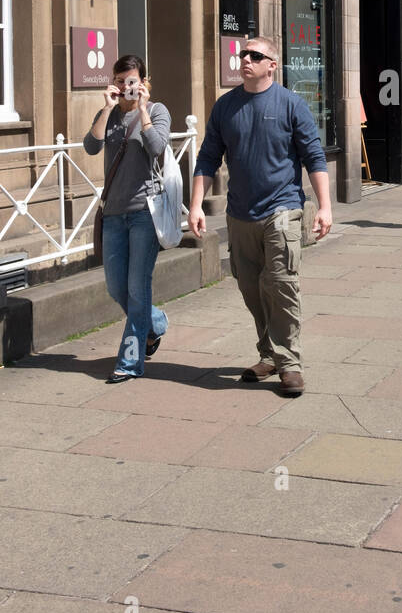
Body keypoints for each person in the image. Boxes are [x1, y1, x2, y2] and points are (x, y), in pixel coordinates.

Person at [188, 37, 332, 398]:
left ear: (272, 65)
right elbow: (207, 158)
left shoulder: (291, 105)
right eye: (243, 54)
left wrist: (326, 206)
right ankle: (269, 354)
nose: (245, 60)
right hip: (240, 214)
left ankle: (290, 363)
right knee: (251, 288)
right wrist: (195, 206)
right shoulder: (226, 107)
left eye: (255, 55)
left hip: (282, 209)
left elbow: (314, 157)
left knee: (281, 283)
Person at [83, 55, 171, 382]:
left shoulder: (157, 111)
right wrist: (106, 108)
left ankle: (130, 362)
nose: (125, 87)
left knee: (136, 289)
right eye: (120, 80)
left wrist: (144, 110)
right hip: (113, 215)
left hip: (144, 214)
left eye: (131, 81)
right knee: (115, 286)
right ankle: (155, 323)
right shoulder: (109, 114)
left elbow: (157, 145)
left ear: (144, 83)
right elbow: (90, 146)